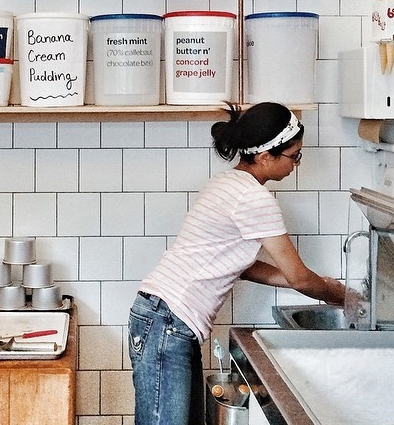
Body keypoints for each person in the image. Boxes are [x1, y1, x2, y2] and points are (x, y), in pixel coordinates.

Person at [128, 102, 347, 425]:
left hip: (163, 316)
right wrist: (342, 296)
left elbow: (242, 266)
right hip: (168, 322)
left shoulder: (227, 184)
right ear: (265, 156)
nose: (296, 164)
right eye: (294, 156)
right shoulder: (254, 199)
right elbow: (301, 278)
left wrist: (299, 279)